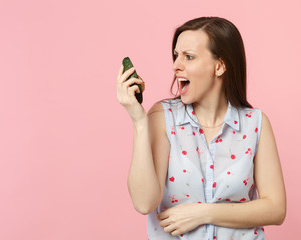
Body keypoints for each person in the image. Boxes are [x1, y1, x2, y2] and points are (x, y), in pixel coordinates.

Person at [116, 16, 286, 240]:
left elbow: (276, 209)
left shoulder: (255, 123)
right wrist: (139, 122)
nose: (176, 65)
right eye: (176, 56)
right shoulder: (162, 117)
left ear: (219, 66)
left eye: (189, 57)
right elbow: (144, 202)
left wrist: (203, 213)